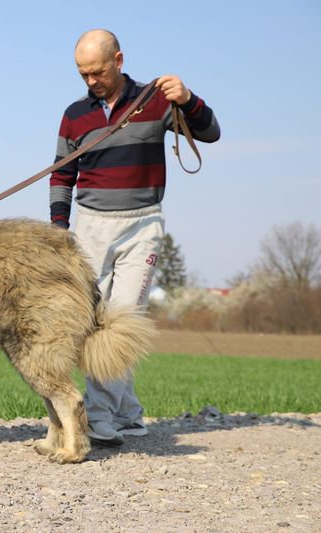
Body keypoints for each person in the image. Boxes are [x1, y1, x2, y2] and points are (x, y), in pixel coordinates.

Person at [49, 29, 220, 446]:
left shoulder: (155, 100)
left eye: (97, 72)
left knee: (121, 318)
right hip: (88, 226)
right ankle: (128, 413)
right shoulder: (74, 114)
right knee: (90, 320)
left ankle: (100, 419)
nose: (90, 81)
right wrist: (58, 232)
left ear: (119, 60)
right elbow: (61, 174)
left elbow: (211, 132)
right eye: (82, 74)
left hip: (141, 224)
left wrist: (188, 100)